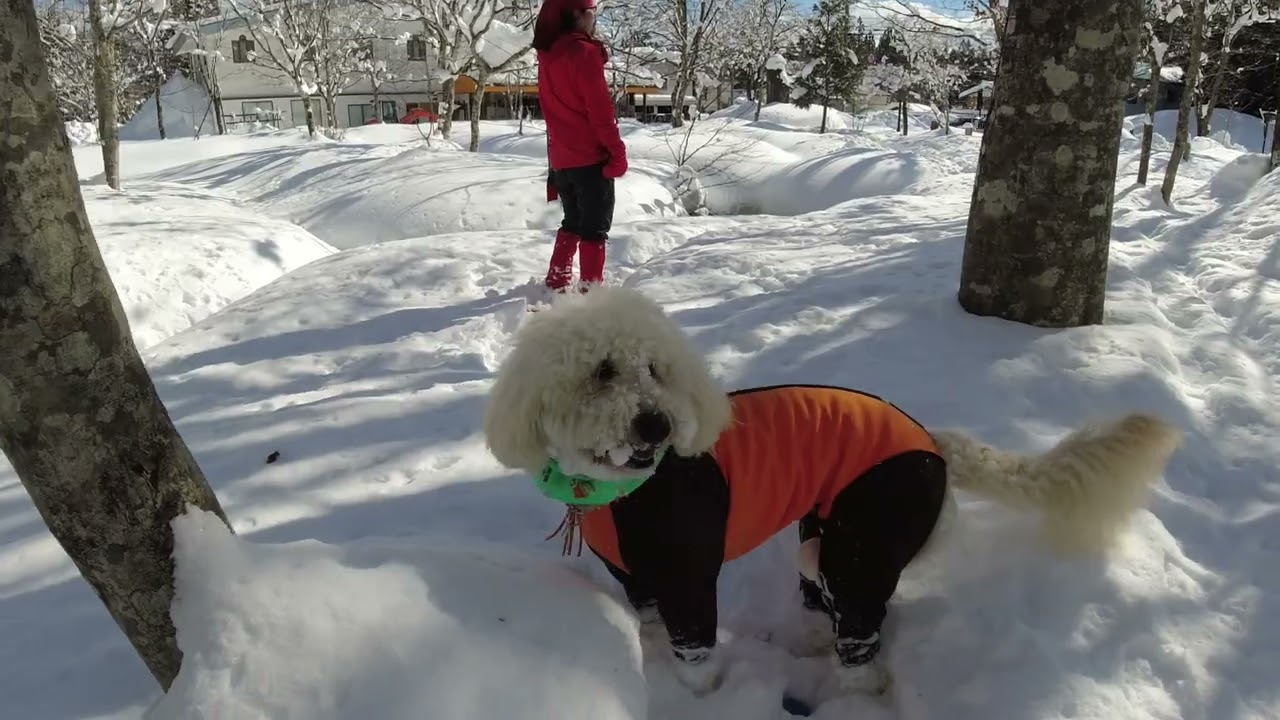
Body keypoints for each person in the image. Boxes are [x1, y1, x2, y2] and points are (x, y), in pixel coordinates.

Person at [533, 0, 628, 294]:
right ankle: (590, 293)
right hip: (589, 159)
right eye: (593, 12)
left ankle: (557, 282)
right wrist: (617, 153)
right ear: (578, 14)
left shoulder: (548, 54)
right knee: (594, 230)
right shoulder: (583, 54)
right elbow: (600, 114)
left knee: (572, 222)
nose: (594, 18)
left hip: (562, 160)